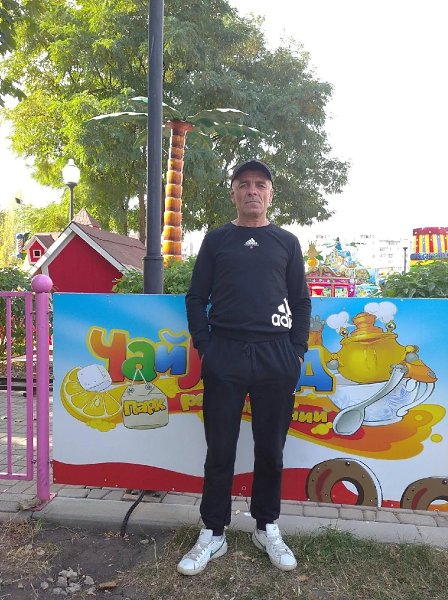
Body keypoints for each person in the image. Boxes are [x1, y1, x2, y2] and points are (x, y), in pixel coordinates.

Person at [178, 159, 311, 576]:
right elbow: (196, 298)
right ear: (233, 192)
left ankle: (266, 526)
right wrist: (206, 346)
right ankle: (213, 531)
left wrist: (297, 350)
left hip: (276, 356)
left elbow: (301, 300)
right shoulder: (216, 240)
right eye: (244, 184)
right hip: (226, 354)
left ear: (271, 195)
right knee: (220, 448)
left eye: (260, 184)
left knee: (271, 449)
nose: (252, 190)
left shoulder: (287, 242)